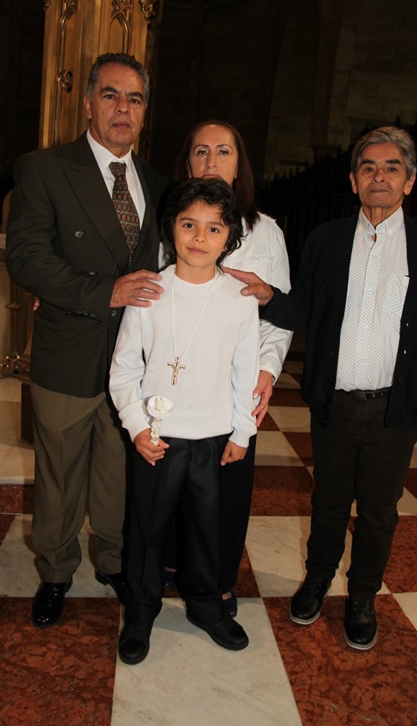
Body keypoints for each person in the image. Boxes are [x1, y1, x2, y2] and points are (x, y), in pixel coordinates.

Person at [224, 126, 417, 650]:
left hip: (395, 409)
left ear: (410, 181)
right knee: (329, 501)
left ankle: (361, 597)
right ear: (354, 183)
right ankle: (316, 580)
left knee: (378, 509)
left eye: (391, 168)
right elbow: (304, 308)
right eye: (368, 168)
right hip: (335, 404)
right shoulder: (327, 241)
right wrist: (268, 294)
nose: (379, 176)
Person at [5, 52, 166, 628]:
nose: (123, 109)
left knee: (120, 473)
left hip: (135, 365)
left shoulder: (157, 181)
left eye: (135, 99)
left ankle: (114, 560)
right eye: (112, 96)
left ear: (146, 111)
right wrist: (105, 292)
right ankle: (54, 571)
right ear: (89, 101)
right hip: (70, 354)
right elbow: (25, 257)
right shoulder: (45, 168)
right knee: (59, 475)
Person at [109, 177, 260, 664]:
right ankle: (142, 609)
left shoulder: (238, 299)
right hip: (158, 438)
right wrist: (135, 426)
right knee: (148, 529)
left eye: (213, 229)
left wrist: (242, 431)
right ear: (170, 228)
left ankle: (205, 606)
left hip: (214, 439)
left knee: (206, 529)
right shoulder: (151, 291)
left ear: (229, 236)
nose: (199, 237)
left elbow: (244, 370)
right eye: (188, 224)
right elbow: (125, 369)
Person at [173, 120, 292, 615]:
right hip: (179, 379)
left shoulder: (267, 231)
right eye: (201, 151)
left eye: (223, 151)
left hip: (239, 385)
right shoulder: (174, 222)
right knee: (175, 479)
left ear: (239, 163)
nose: (211, 161)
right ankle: (174, 565)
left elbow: (279, 315)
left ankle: (219, 578)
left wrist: (265, 372)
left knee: (227, 485)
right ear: (188, 163)